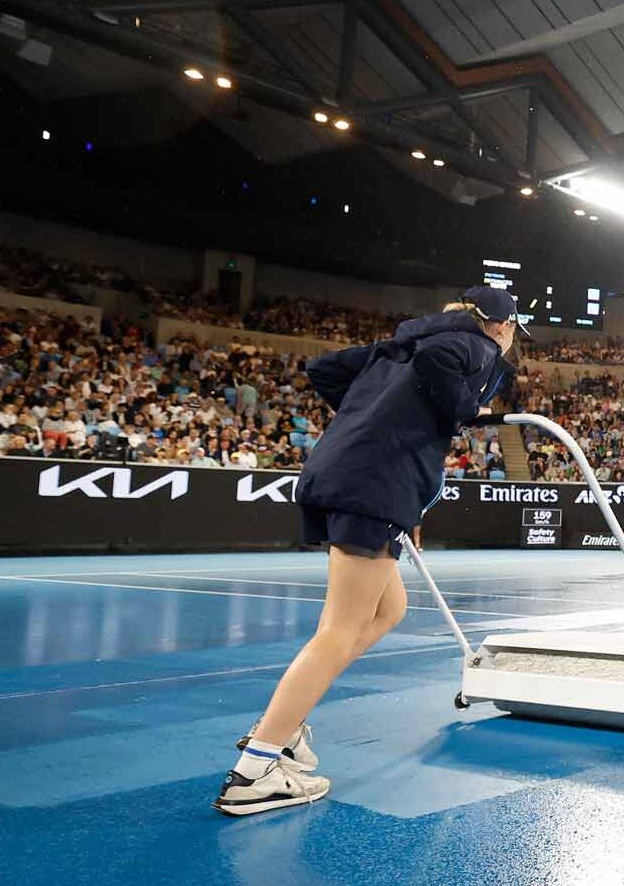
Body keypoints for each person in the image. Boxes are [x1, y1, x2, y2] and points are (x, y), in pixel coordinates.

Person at [215, 286, 522, 817]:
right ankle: (258, 765)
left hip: (345, 473)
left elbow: (324, 370)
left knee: (389, 609)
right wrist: (462, 409)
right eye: (513, 331)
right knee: (338, 630)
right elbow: (440, 364)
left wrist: (375, 414)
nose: (511, 340)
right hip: (374, 485)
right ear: (501, 325)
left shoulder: (398, 345)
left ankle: (284, 728)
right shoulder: (476, 347)